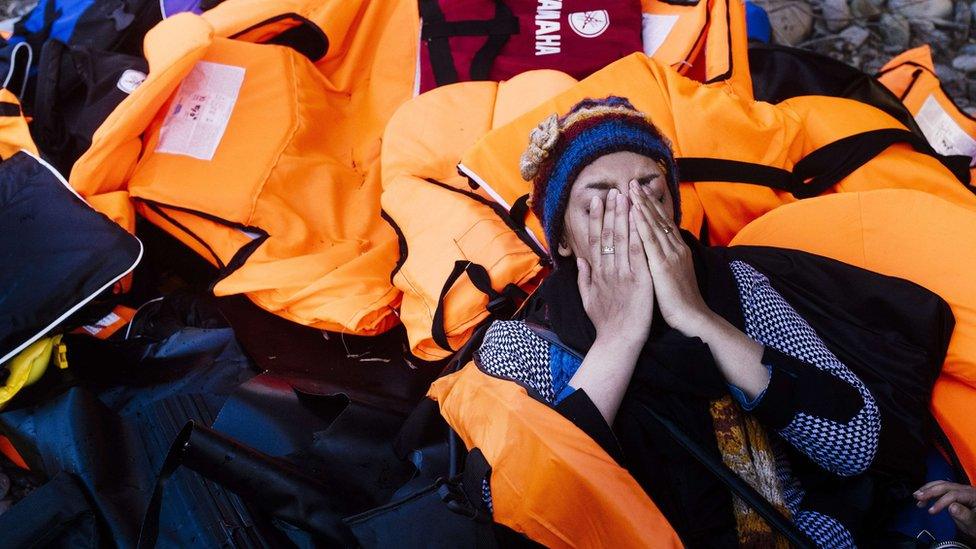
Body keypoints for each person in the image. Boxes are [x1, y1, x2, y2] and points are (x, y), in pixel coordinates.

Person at [475, 96, 886, 547]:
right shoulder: (523, 340)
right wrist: (616, 339)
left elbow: (853, 443)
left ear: (672, 208)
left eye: (649, 187)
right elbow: (525, 510)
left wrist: (699, 317)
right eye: (600, 199)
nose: (630, 212)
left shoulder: (735, 286)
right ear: (565, 239)